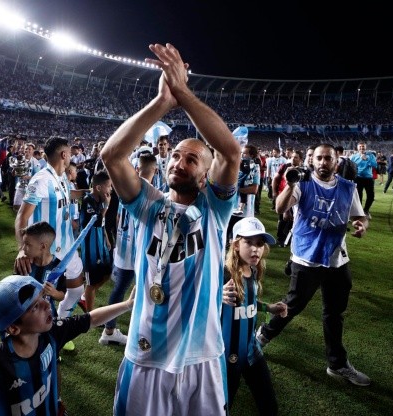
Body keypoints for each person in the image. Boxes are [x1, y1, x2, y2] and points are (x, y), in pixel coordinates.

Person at [100, 42, 240, 414]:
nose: (179, 162)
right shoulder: (150, 206)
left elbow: (231, 152)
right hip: (146, 352)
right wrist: (162, 102)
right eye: (175, 155)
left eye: (192, 159)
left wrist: (183, 94)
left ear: (207, 174)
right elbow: (112, 156)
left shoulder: (215, 210)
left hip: (202, 356)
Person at [0, 275, 134, 415]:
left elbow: (91, 319)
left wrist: (127, 305)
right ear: (13, 328)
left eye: (43, 298)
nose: (47, 306)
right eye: (34, 308)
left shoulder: (53, 333)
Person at [256, 143, 371, 387]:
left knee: (334, 313)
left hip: (337, 260)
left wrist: (362, 225)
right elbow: (280, 207)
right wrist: (292, 183)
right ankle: (263, 336)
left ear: (336, 161)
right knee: (294, 305)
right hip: (306, 258)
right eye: (318, 158)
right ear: (313, 160)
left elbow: (359, 215)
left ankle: (337, 363)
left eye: (327, 158)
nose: (322, 162)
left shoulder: (349, 187)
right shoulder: (303, 183)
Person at [14, 137, 85, 325]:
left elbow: (68, 195)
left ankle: (61, 321)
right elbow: (22, 216)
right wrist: (23, 249)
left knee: (77, 290)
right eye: (69, 152)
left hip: (67, 247)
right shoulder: (42, 180)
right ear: (64, 154)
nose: (71, 156)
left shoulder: (61, 177)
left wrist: (91, 192)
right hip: (47, 252)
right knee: (38, 302)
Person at [221, 217, 287, 414]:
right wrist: (217, 296)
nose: (255, 249)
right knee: (222, 408)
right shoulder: (223, 274)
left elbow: (248, 304)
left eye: (259, 244)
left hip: (252, 350)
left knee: (268, 405)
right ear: (235, 244)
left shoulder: (254, 270)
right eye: (248, 242)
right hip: (225, 356)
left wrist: (269, 308)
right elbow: (199, 303)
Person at [100, 152, 158, 346]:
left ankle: (111, 329)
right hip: (137, 252)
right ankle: (111, 330)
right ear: (155, 170)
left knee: (123, 289)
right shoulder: (148, 192)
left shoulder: (127, 188)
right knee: (138, 291)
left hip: (124, 247)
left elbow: (116, 218)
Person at [79, 169, 114, 311]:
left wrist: (106, 237)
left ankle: (84, 296)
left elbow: (103, 222)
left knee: (107, 272)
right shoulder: (88, 201)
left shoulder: (100, 198)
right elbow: (97, 221)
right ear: (98, 187)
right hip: (90, 247)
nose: (110, 189)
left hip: (100, 242)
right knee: (92, 281)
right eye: (109, 186)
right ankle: (90, 315)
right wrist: (106, 205)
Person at [18, 221, 68, 317]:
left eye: (27, 244)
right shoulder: (24, 263)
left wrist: (54, 292)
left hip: (48, 317)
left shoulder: (59, 266)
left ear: (43, 246)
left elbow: (62, 295)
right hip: (25, 318)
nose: (23, 248)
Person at [350, 141, 377, 218]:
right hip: (358, 178)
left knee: (371, 196)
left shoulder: (371, 155)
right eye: (360, 146)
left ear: (365, 147)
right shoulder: (354, 156)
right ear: (357, 148)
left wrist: (366, 159)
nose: (362, 148)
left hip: (368, 178)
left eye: (363, 146)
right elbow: (351, 166)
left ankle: (366, 210)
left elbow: (375, 165)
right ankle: (359, 211)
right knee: (358, 196)